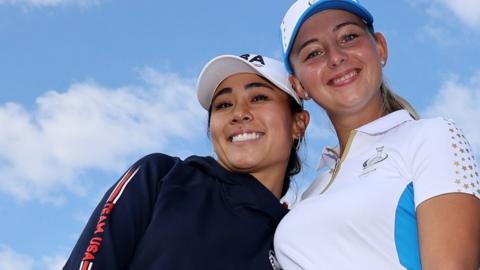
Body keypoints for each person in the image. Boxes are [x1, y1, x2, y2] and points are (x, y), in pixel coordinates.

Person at [273, 1, 480, 269]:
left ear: (380, 47)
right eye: (313, 53)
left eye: (348, 37)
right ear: (299, 86)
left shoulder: (433, 136)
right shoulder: (312, 191)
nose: (335, 57)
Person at [63, 53, 309, 270]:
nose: (239, 113)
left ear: (299, 123)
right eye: (224, 104)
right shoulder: (162, 178)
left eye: (258, 97)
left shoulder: (296, 243)